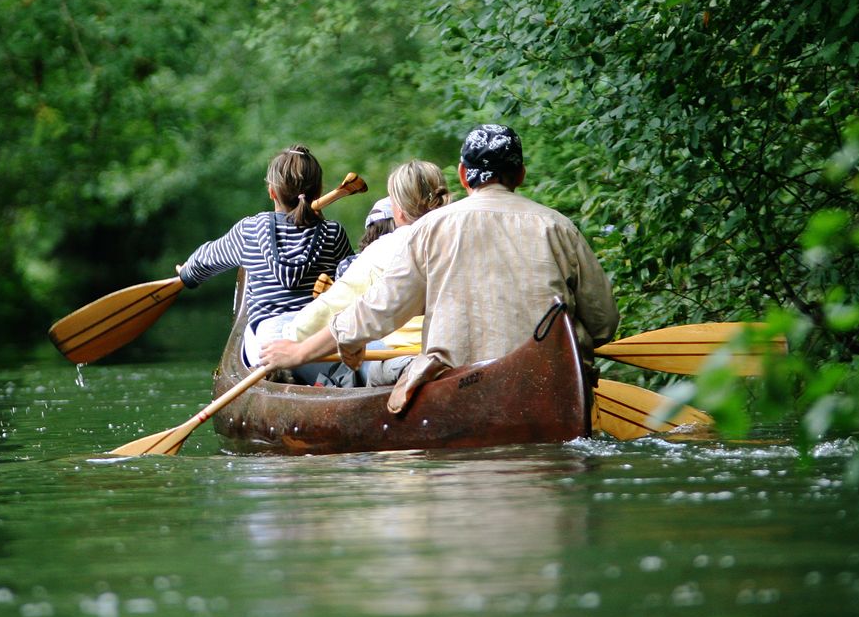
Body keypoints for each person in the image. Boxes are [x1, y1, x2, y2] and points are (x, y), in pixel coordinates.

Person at [320, 124, 619, 413]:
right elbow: (604, 322)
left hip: (462, 391)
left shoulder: (430, 228)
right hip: (550, 388)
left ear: (463, 175)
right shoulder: (558, 227)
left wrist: (346, 336)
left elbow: (384, 306)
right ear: (521, 175)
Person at [260, 160, 451, 386]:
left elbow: (327, 309)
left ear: (397, 210)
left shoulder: (383, 249)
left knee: (285, 335)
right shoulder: (460, 239)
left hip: (400, 357)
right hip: (454, 351)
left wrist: (287, 342)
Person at [177, 144, 352, 366]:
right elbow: (351, 281)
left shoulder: (249, 230)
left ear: (271, 192)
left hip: (267, 343)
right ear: (317, 191)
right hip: (316, 343)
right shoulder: (333, 233)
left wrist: (187, 274)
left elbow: (206, 259)